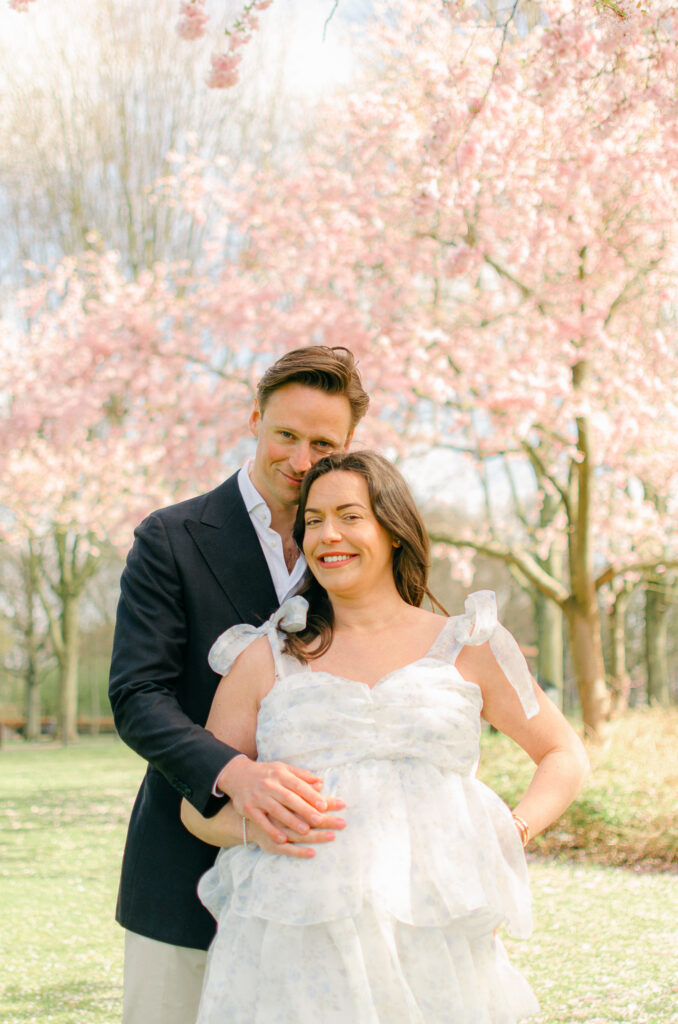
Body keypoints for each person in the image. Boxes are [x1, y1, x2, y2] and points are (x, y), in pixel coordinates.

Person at [181, 450, 590, 1024]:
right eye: (314, 521)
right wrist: (258, 830)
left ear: (393, 529)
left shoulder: (469, 644)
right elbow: (195, 808)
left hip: (433, 938)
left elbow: (563, 753)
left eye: (350, 515)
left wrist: (510, 830)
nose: (329, 535)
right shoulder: (262, 656)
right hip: (294, 946)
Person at [108, 347, 369, 1024]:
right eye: (285, 434)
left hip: (317, 883)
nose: (301, 458)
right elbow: (138, 696)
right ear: (255, 419)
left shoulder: (357, 552)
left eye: (323, 443)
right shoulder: (169, 538)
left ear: (347, 447)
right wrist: (233, 773)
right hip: (182, 868)